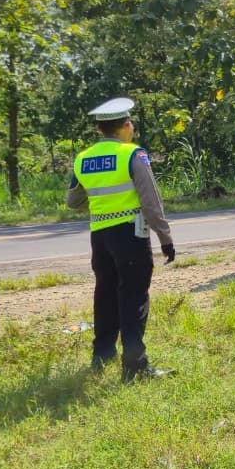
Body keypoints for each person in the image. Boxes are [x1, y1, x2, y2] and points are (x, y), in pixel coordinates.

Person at [67, 97, 175, 382]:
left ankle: (101, 355)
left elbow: (73, 200)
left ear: (99, 130)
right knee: (133, 297)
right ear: (126, 126)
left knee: (105, 294)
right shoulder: (132, 155)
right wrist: (165, 237)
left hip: (99, 237)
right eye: (132, 124)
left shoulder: (83, 158)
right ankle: (135, 367)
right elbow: (151, 201)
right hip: (129, 234)